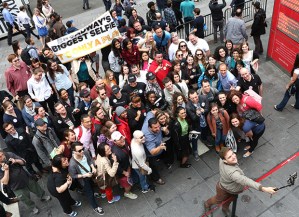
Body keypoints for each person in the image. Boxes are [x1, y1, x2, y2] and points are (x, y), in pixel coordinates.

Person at [204, 147, 276, 216]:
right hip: (223, 189)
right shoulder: (233, 173)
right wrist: (264, 189)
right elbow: (246, 181)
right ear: (225, 161)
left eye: (232, 153)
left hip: (232, 188)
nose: (233, 156)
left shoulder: (222, 158)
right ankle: (207, 204)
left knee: (230, 200)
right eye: (229, 157)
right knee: (218, 200)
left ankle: (225, 208)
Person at [0, 150, 51, 215]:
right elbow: (5, 182)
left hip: (26, 178)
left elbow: (23, 162)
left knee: (36, 188)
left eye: (2, 154)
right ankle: (32, 207)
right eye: (0, 157)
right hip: (16, 187)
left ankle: (42, 196)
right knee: (25, 199)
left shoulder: (9, 154)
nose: (2, 157)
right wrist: (6, 170)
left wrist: (16, 161)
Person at [68, 142, 105, 215]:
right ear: (74, 152)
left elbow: (90, 160)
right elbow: (74, 175)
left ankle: (94, 193)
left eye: (83, 149)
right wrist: (85, 175)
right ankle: (95, 207)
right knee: (89, 193)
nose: (82, 151)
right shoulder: (72, 164)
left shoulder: (85, 152)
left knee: (92, 186)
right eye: (79, 151)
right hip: (84, 179)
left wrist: (93, 167)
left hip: (90, 174)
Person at [110, 131, 138, 199]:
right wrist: (124, 172)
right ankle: (127, 193)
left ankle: (122, 185)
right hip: (123, 171)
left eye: (121, 137)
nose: (122, 139)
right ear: (114, 141)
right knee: (127, 183)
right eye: (119, 139)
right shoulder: (116, 153)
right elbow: (116, 167)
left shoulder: (124, 142)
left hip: (127, 165)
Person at [142, 117, 166, 185]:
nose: (158, 129)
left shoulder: (149, 119)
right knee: (153, 165)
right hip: (150, 154)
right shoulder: (148, 137)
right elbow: (152, 152)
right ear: (150, 127)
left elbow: (151, 112)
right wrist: (160, 147)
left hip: (158, 145)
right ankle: (156, 178)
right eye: (155, 128)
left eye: (159, 126)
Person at [186, 89, 210, 157]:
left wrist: (204, 110)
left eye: (196, 97)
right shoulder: (188, 106)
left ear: (197, 95)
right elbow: (193, 118)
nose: (195, 99)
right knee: (195, 137)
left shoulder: (204, 97)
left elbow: (207, 109)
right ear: (189, 98)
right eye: (192, 98)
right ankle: (195, 150)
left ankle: (204, 139)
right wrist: (197, 114)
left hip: (205, 120)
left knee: (205, 131)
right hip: (196, 123)